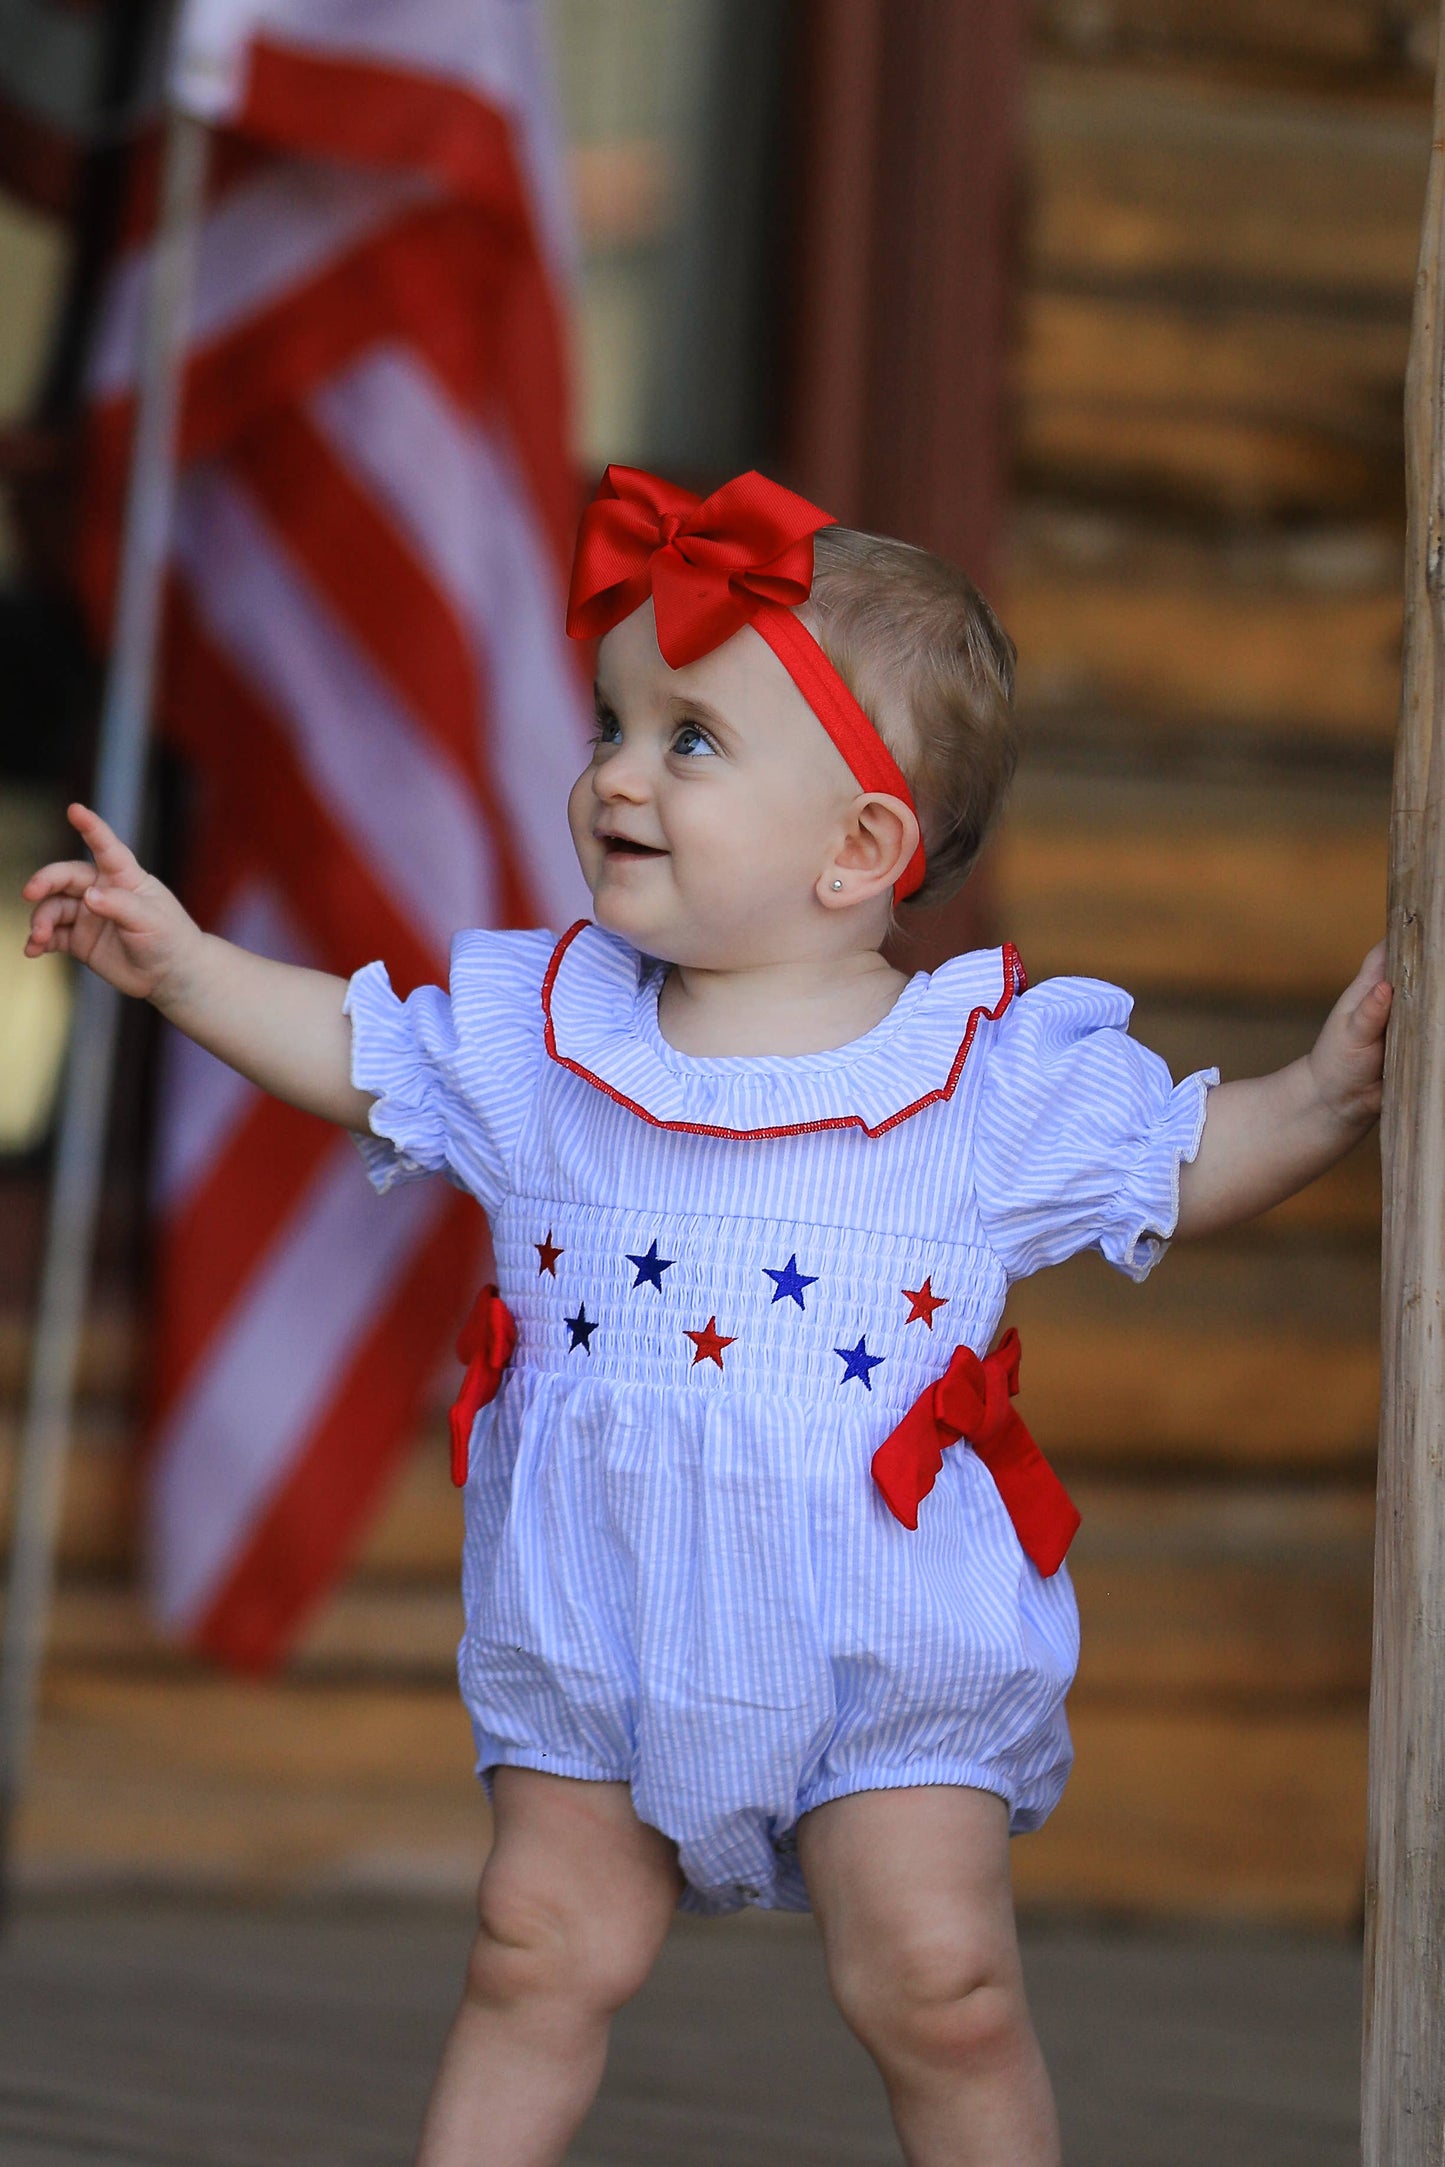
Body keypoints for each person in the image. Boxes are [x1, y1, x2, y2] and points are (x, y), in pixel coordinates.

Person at [24, 466, 1389, 2167]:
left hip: (880, 1644)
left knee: (942, 1983)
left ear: (858, 851)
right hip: (603, 1624)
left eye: (689, 743)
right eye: (611, 724)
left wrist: (1323, 1100)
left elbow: (1187, 1162)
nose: (612, 773)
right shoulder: (546, 1035)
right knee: (536, 1950)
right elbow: (353, 1051)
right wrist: (187, 967)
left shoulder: (980, 1080)